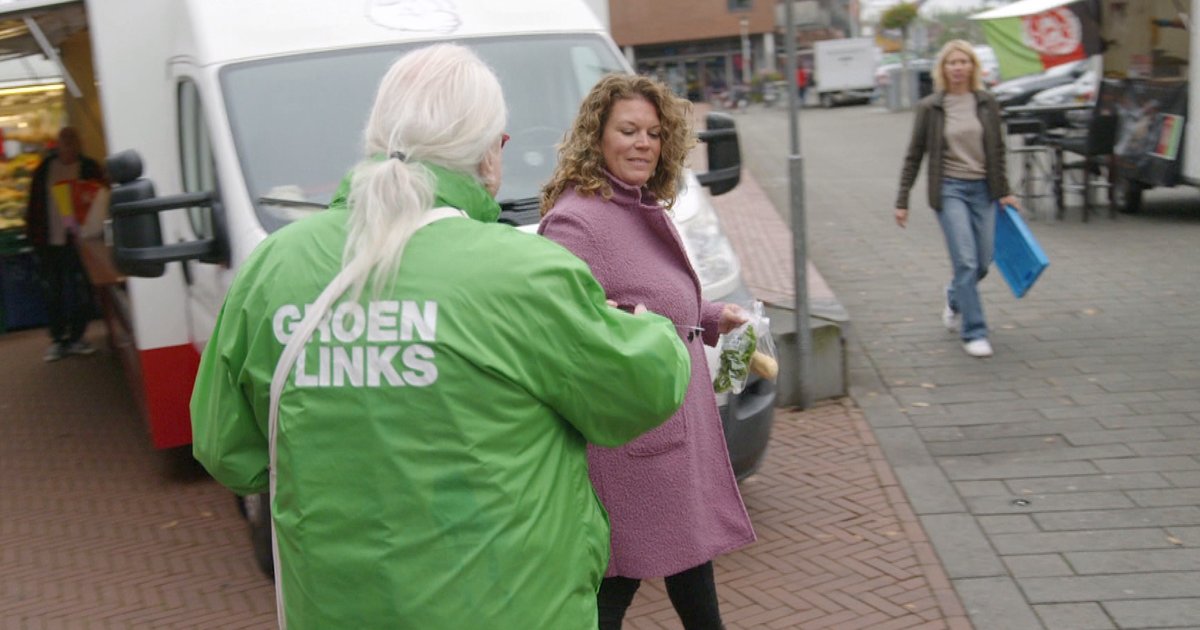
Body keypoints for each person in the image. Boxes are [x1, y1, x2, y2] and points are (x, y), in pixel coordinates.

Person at [190, 44, 692, 630]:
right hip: (514, 610)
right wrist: (649, 326)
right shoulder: (524, 273)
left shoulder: (274, 267)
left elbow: (228, 450)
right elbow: (640, 390)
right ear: (489, 153)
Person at [538, 73, 756, 630]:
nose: (643, 144)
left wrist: (712, 317)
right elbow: (567, 332)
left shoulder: (639, 205)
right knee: (616, 583)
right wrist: (622, 325)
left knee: (689, 559)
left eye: (654, 134)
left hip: (670, 426)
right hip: (632, 438)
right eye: (628, 130)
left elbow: (655, 298)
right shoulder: (576, 223)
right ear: (597, 137)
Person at [893, 40, 1019, 358]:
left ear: (973, 67)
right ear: (943, 69)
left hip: (983, 190)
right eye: (952, 62)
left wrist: (1005, 191)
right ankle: (974, 332)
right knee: (965, 261)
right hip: (950, 190)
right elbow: (914, 155)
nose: (958, 67)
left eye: (964, 62)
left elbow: (998, 151)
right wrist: (902, 200)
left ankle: (954, 295)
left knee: (983, 262)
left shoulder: (986, 103)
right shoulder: (931, 107)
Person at [24, 126, 105, 361]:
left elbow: (101, 197)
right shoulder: (45, 169)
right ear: (58, 144)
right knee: (53, 292)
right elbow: (34, 204)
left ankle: (77, 337)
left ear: (79, 144)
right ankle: (58, 339)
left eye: (73, 141)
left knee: (82, 291)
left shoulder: (89, 167)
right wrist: (33, 236)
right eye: (64, 142)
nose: (69, 146)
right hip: (49, 242)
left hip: (82, 242)